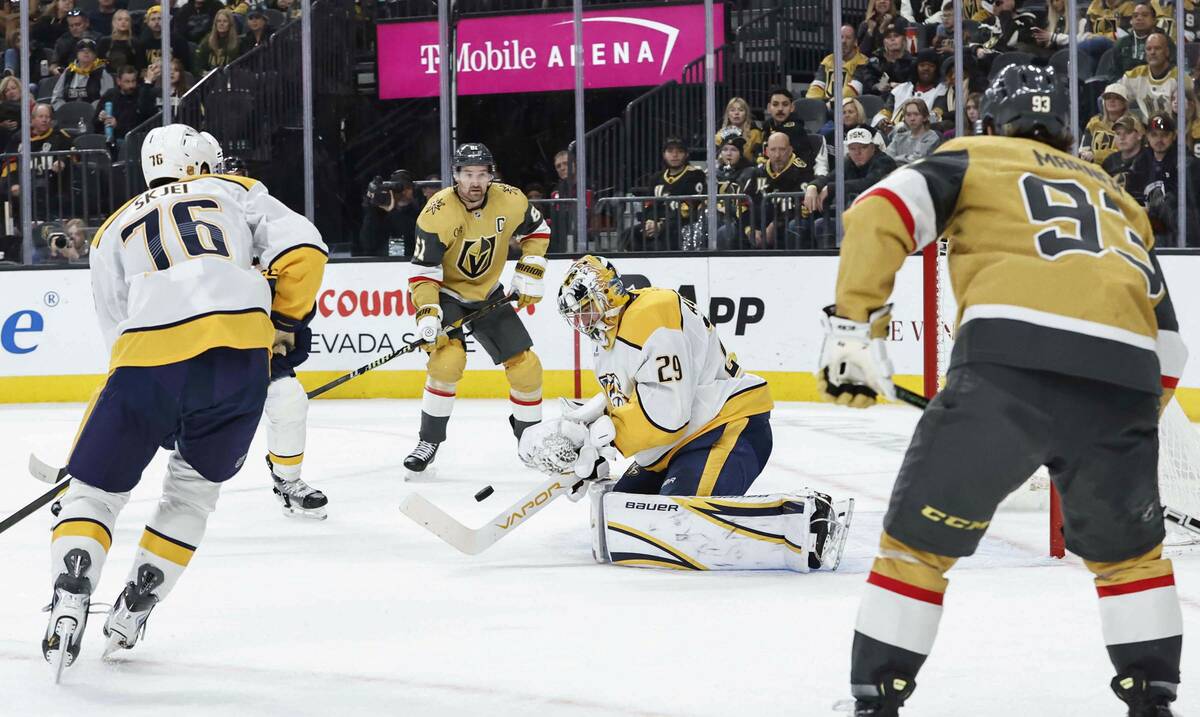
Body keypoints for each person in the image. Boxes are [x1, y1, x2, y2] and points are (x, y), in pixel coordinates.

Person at [820, 64, 1186, 716]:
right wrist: (1114, 425)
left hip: (1006, 365)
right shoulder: (1118, 197)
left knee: (916, 548)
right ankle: (1152, 700)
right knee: (1132, 559)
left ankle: (879, 697)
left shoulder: (974, 156)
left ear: (992, 119)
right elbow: (1171, 348)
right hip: (1123, 381)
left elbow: (880, 211)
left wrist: (853, 327)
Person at [41, 124, 327, 676]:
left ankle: (71, 587)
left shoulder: (110, 229)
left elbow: (116, 332)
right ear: (197, 164)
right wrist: (284, 319)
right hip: (237, 362)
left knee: (94, 494)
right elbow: (305, 249)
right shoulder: (233, 189)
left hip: (147, 361)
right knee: (192, 494)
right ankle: (136, 604)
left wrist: (138, 414)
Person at [549, 255, 774, 497]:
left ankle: (793, 515)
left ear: (608, 293)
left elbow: (668, 416)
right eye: (576, 314)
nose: (582, 320)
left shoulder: (651, 313)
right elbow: (638, 398)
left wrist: (611, 438)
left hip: (724, 426)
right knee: (617, 509)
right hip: (671, 447)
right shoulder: (604, 341)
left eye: (586, 307)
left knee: (676, 516)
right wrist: (595, 443)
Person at [403, 142, 550, 474]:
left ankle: (531, 440)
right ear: (455, 175)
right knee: (447, 362)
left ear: (491, 176)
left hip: (489, 292)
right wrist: (428, 313)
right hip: (448, 294)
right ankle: (429, 441)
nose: (475, 182)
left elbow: (538, 230)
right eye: (467, 174)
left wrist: (530, 268)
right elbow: (424, 272)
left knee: (527, 367)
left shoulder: (510, 199)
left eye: (481, 174)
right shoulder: (436, 212)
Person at [806, 127, 898, 245]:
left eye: (863, 147)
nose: (857, 153)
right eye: (852, 148)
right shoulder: (849, 161)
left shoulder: (884, 161)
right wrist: (812, 187)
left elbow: (869, 183)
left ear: (873, 147)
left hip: (884, 219)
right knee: (821, 225)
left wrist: (831, 188)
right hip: (857, 217)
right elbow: (829, 178)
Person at [1127, 112, 1200, 243]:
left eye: (1164, 135)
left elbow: (1180, 201)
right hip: (1148, 228)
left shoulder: (1186, 163)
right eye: (1154, 135)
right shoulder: (1140, 163)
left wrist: (1151, 210)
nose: (1159, 140)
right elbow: (1131, 196)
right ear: (1147, 136)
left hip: (1178, 235)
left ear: (1174, 136)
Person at [623, 137, 706, 251]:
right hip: (657, 223)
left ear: (686, 154)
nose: (675, 155)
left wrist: (661, 225)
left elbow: (689, 208)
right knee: (629, 234)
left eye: (679, 151)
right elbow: (649, 205)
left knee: (664, 239)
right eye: (670, 151)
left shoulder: (695, 175)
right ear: (664, 154)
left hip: (683, 224)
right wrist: (650, 221)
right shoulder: (656, 178)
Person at [746, 131, 819, 248]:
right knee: (730, 230)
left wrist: (776, 224)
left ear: (790, 150)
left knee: (795, 226)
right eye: (773, 150)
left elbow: (805, 208)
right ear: (767, 151)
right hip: (760, 229)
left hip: (788, 225)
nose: (777, 155)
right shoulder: (757, 172)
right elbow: (744, 203)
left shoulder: (803, 171)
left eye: (782, 149)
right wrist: (750, 228)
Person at [354, 169, 424, 258]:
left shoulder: (420, 213)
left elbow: (419, 240)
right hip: (384, 262)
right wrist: (372, 207)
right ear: (391, 190)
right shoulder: (380, 214)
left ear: (413, 190)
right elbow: (367, 243)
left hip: (412, 260)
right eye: (398, 189)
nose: (403, 192)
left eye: (407, 187)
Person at [872, 48, 946, 132]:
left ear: (936, 69)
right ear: (916, 68)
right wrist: (882, 120)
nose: (926, 69)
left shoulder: (942, 90)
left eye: (931, 66)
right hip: (892, 132)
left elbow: (937, 114)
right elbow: (886, 111)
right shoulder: (900, 89)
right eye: (922, 65)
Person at [1119, 31, 1181, 120]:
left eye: (1157, 48)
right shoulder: (1134, 75)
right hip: (1146, 127)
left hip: (1173, 127)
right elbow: (1117, 99)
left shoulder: (1179, 78)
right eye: (1148, 49)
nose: (1152, 52)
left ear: (1167, 51)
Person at [808, 25, 870, 103]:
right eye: (841, 37)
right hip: (825, 106)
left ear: (855, 42)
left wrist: (832, 104)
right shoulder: (828, 60)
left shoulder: (863, 61)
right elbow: (817, 85)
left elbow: (853, 89)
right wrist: (814, 104)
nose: (843, 41)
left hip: (848, 106)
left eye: (848, 38)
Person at [94, 64, 156, 141]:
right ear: (118, 81)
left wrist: (117, 125)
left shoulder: (141, 95)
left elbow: (139, 124)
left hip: (133, 140)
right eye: (127, 82)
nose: (131, 85)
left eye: (133, 81)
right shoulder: (110, 95)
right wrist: (100, 119)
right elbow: (94, 123)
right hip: (110, 139)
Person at [854, 22, 915, 98]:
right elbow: (868, 83)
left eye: (896, 36)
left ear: (903, 40)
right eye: (888, 37)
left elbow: (915, 84)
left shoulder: (912, 62)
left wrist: (901, 87)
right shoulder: (875, 61)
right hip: (879, 99)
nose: (892, 39)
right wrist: (877, 86)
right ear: (884, 42)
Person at [51, 38, 112, 109]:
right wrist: (65, 109)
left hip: (94, 113)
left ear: (95, 55)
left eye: (90, 51)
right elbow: (56, 98)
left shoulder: (102, 72)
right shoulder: (68, 72)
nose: (86, 52)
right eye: (82, 50)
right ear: (77, 54)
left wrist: (90, 109)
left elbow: (108, 98)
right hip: (69, 113)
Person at [1080, 83, 1131, 163]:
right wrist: (1086, 154)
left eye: (1117, 97)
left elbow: (1130, 153)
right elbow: (1084, 149)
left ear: (1125, 103)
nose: (1111, 101)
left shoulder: (1133, 125)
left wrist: (1096, 156)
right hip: (1093, 168)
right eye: (1108, 97)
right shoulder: (1094, 122)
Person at [138, 5, 192, 74]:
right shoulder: (143, 44)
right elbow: (142, 70)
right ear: (148, 23)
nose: (157, 22)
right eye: (153, 19)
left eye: (159, 18)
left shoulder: (179, 41)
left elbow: (185, 67)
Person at [885, 98, 940, 164]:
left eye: (916, 114)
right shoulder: (899, 137)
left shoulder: (931, 137)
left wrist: (895, 159)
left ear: (925, 117)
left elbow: (917, 160)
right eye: (908, 115)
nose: (912, 119)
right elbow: (887, 158)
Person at [1102, 113, 1147, 192]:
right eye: (1118, 133)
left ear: (1139, 135)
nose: (1122, 137)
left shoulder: (1149, 159)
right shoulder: (1110, 161)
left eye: (1128, 132)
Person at [1114, 3, 1160, 74]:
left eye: (1145, 15)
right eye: (1135, 16)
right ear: (1131, 21)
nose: (1139, 18)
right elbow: (1113, 72)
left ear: (1154, 20)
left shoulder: (1163, 41)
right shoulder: (1121, 43)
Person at [714, 96, 764, 162]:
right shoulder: (720, 134)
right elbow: (715, 158)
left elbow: (758, 158)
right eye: (732, 110)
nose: (736, 113)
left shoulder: (755, 134)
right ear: (728, 114)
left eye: (741, 110)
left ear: (746, 114)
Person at [51, 9, 98, 76]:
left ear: (87, 23)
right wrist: (55, 70)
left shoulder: (98, 39)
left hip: (92, 75)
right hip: (67, 75)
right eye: (71, 26)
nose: (74, 28)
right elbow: (53, 65)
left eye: (78, 25)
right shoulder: (63, 40)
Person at [194, 8, 240, 73]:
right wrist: (203, 72)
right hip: (208, 76)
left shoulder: (237, 42)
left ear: (230, 24)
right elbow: (198, 63)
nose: (221, 24)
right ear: (215, 24)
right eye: (219, 21)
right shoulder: (207, 40)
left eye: (225, 21)